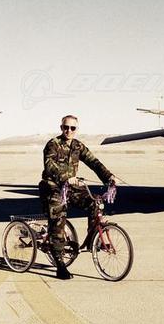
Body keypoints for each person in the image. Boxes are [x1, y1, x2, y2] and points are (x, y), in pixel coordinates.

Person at [40, 115, 116, 279]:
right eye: (66, 127)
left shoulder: (77, 146)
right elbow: (49, 165)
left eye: (72, 128)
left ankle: (92, 240)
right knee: (59, 215)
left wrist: (108, 177)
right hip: (52, 187)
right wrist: (66, 177)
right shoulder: (53, 144)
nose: (69, 131)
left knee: (95, 202)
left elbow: (94, 162)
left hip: (71, 188)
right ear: (61, 128)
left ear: (76, 129)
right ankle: (59, 263)